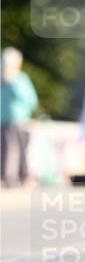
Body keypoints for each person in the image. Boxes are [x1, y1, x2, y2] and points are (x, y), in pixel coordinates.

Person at [1, 47, 39, 188]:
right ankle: (15, 178)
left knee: (13, 150)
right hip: (11, 120)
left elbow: (30, 100)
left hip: (11, 120)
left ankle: (17, 178)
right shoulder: (16, 79)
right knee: (13, 150)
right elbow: (31, 100)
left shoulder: (13, 79)